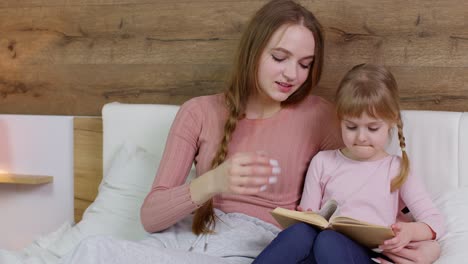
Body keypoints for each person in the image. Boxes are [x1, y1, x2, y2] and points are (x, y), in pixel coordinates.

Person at [60, 1, 442, 263]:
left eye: (305, 64)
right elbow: (150, 217)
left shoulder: (323, 118)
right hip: (181, 242)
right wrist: (213, 181)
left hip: (252, 250)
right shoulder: (198, 112)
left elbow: (368, 191)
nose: (292, 74)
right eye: (280, 58)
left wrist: (427, 248)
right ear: (253, 52)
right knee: (91, 249)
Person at [253, 64, 445, 264]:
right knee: (301, 232)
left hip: (365, 256)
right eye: (351, 126)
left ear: (391, 121)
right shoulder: (323, 162)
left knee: (329, 240)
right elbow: (309, 216)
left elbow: (435, 221)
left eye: (372, 128)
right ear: (340, 120)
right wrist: (305, 217)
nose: (361, 137)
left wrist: (410, 231)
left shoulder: (396, 168)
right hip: (320, 251)